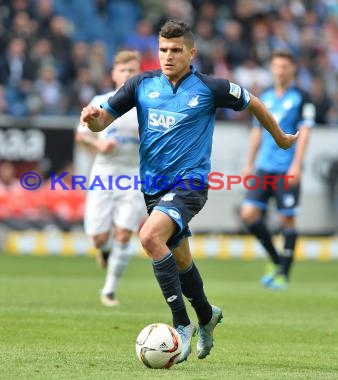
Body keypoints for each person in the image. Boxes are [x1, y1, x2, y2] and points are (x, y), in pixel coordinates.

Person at [80, 20, 297, 364]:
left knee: (150, 237)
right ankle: (207, 315)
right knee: (181, 261)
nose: (168, 56)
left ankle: (181, 325)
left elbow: (253, 101)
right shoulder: (141, 84)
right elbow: (102, 121)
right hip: (153, 188)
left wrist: (280, 137)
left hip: (190, 184)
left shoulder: (209, 88)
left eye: (176, 50)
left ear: (191, 53)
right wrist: (91, 118)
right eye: (163, 49)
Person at [75, 50, 146, 307]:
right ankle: (104, 251)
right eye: (123, 70)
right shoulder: (102, 100)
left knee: (125, 234)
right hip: (104, 174)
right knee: (99, 238)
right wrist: (98, 145)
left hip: (133, 174)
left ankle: (109, 290)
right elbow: (81, 135)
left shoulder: (147, 104)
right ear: (114, 74)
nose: (128, 75)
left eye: (132, 70)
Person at [240, 50, 314, 291]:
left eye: (285, 66)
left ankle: (283, 273)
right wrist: (249, 163)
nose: (280, 70)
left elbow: (305, 133)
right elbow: (256, 131)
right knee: (248, 214)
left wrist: (297, 164)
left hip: (286, 169)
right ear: (271, 69)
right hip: (263, 166)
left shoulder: (303, 97)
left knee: (286, 218)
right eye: (276, 66)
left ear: (292, 70)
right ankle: (275, 259)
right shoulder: (265, 96)